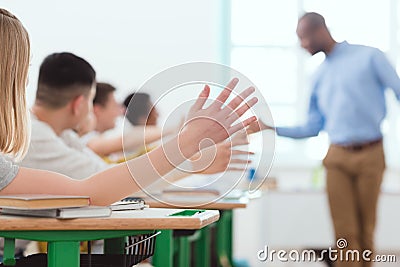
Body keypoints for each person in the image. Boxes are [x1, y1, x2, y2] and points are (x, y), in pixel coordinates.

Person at [0, 6, 258, 212]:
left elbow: (102, 178)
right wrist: (186, 147)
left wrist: (185, 147)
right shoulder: (37, 137)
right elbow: (94, 190)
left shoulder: (60, 136)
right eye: (22, 76)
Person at [254, 12, 400, 267]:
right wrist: (270, 128)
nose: (302, 45)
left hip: (371, 154)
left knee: (366, 231)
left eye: (304, 38)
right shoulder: (319, 76)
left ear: (320, 30)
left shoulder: (370, 57)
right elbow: (312, 127)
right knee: (344, 233)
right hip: (336, 156)